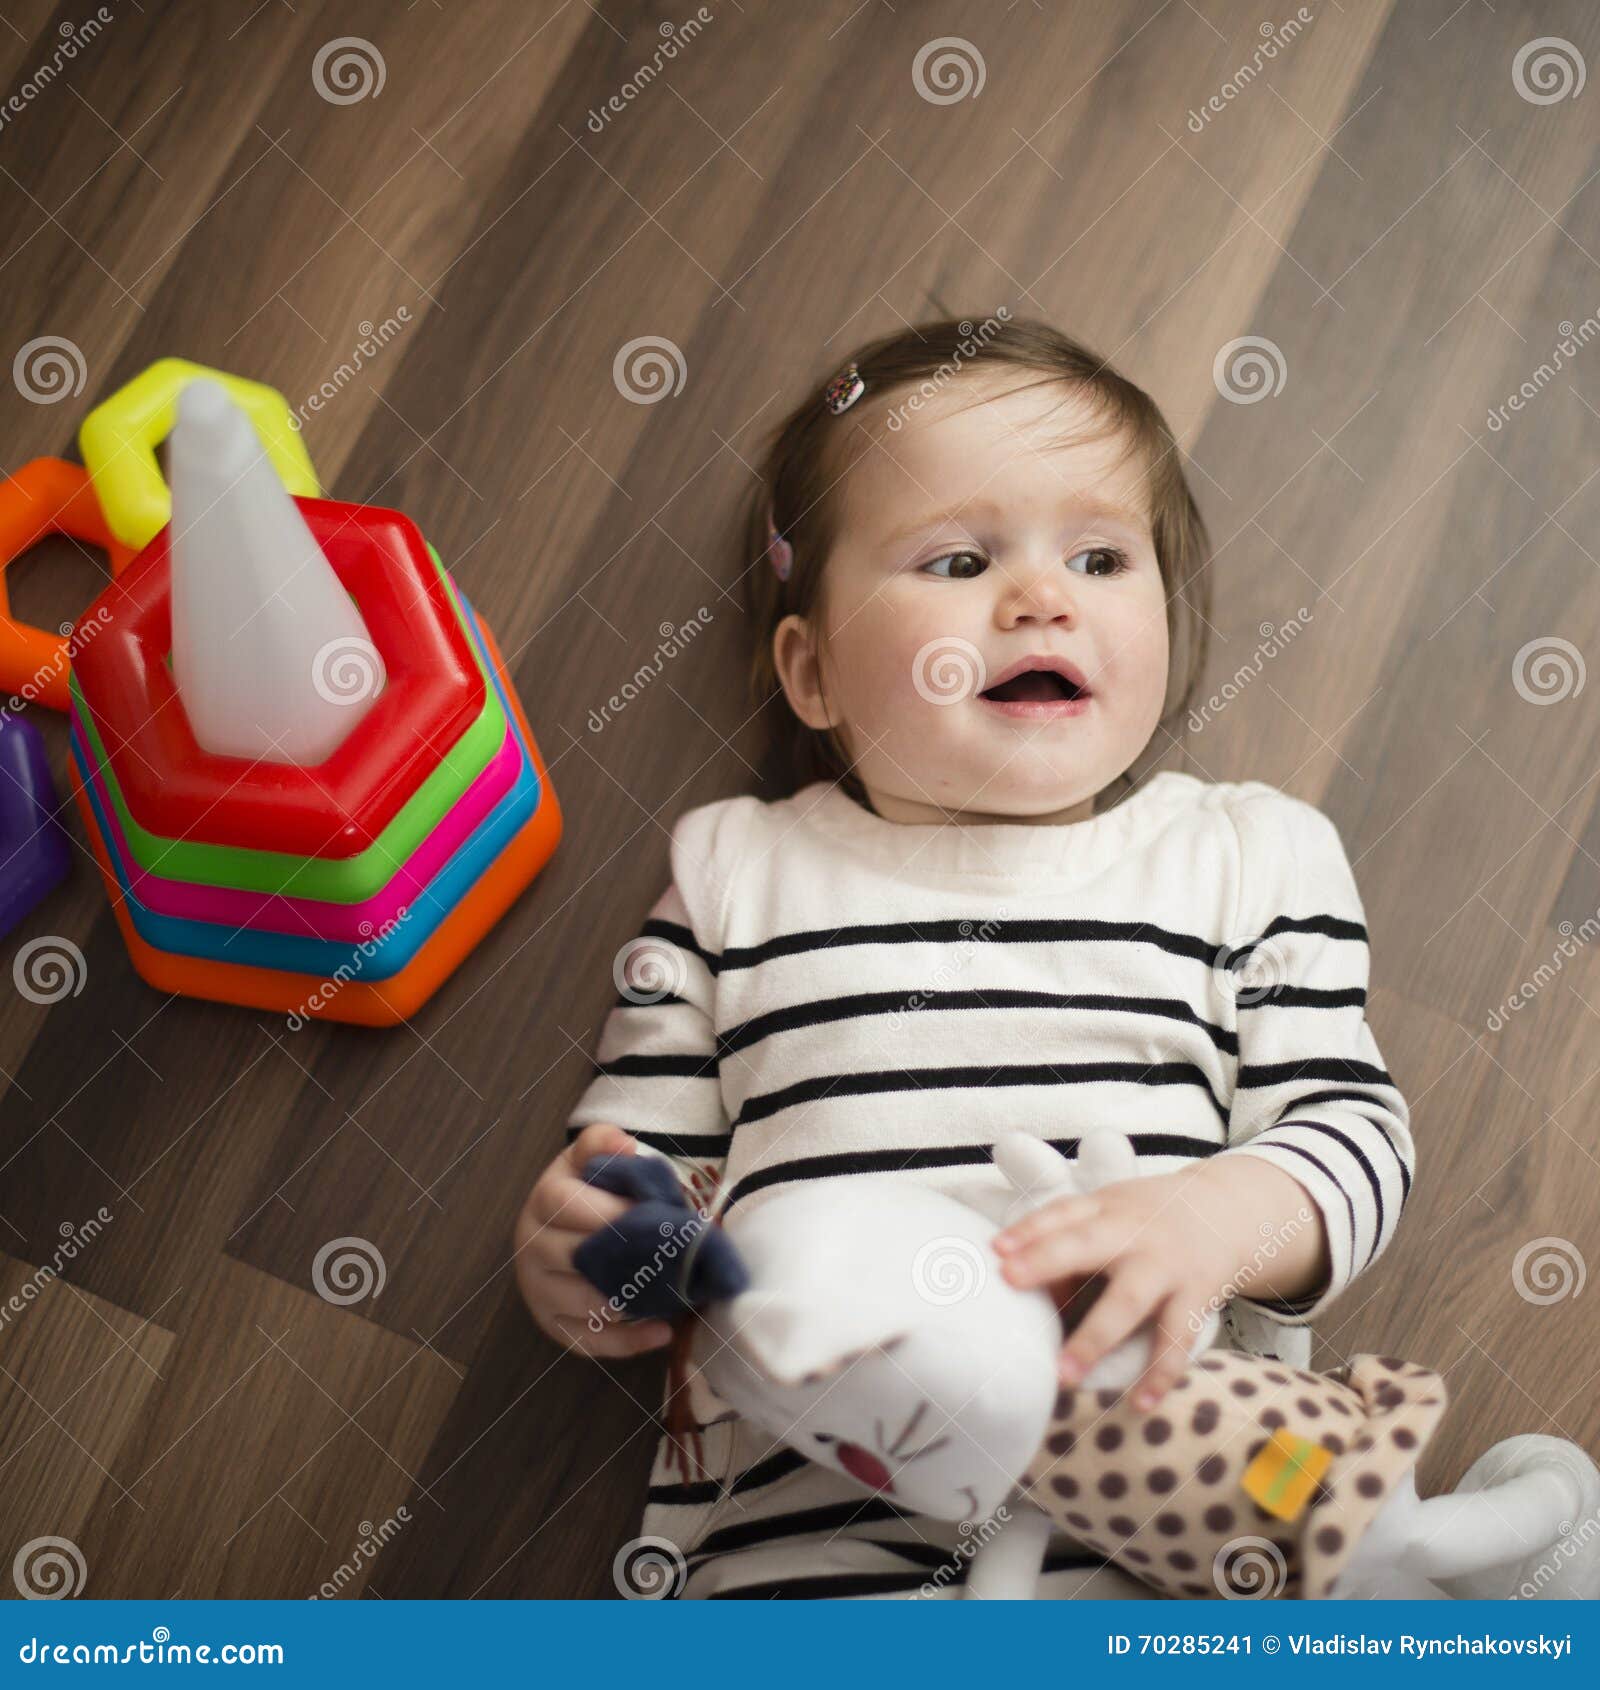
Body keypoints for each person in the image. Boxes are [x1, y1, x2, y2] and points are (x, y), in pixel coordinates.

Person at [513, 316, 1413, 1598]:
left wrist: (1215, 1217)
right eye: (956, 556)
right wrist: (594, 1258)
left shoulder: (1248, 858)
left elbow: (1355, 1136)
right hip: (821, 1537)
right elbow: (649, 1180)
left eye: (1101, 556)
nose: (1041, 595)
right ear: (812, 671)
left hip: (1168, 1525)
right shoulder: (743, 874)